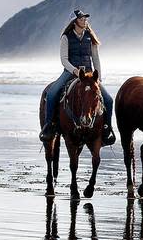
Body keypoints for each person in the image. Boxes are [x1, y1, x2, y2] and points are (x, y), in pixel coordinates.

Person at [39, 9, 115, 145]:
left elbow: (96, 58)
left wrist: (98, 77)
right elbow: (64, 59)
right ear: (74, 22)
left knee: (108, 100)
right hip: (70, 72)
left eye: (85, 19)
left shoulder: (90, 37)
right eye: (81, 19)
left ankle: (107, 128)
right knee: (51, 94)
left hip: (89, 74)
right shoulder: (66, 37)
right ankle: (49, 126)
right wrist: (74, 71)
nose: (84, 21)